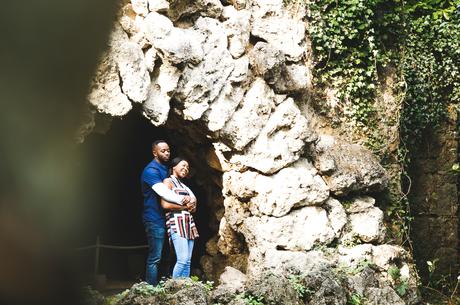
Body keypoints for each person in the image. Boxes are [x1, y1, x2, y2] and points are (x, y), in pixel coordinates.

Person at [141, 140, 195, 285]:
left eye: (168, 150)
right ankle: (150, 290)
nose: (166, 153)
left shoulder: (166, 170)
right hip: (154, 218)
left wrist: (191, 202)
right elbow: (164, 193)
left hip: (169, 219)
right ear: (154, 152)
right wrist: (185, 202)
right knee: (155, 257)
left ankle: (166, 287)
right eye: (162, 150)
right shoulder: (151, 170)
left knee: (168, 257)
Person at [160, 157, 199, 278]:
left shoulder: (184, 186)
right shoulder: (168, 182)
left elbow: (193, 207)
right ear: (174, 167)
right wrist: (185, 207)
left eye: (187, 167)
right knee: (182, 260)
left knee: (187, 262)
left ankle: (184, 290)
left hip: (188, 223)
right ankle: (173, 291)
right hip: (176, 223)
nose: (186, 169)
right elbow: (165, 204)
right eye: (183, 165)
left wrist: (192, 207)